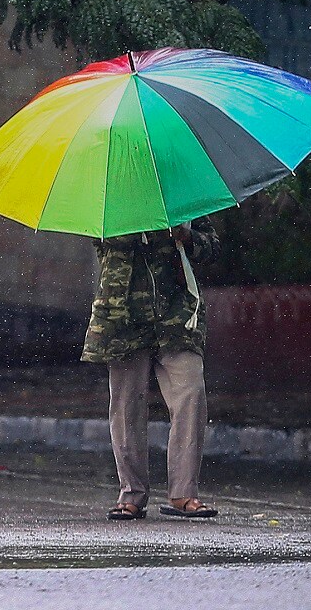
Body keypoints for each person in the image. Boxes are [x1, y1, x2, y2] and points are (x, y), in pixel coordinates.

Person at [81, 217, 220, 521]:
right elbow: (100, 241)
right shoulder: (109, 199)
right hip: (122, 315)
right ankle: (131, 494)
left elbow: (211, 247)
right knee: (126, 404)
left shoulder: (177, 192)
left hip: (177, 316)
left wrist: (187, 236)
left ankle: (184, 492)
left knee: (191, 393)